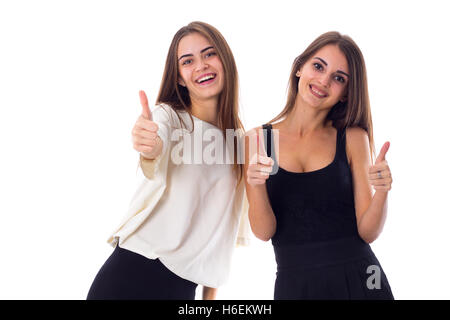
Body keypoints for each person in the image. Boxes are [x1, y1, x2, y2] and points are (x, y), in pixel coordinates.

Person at [87, 21, 249, 300]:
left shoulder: (241, 142)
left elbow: (224, 231)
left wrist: (208, 297)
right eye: (188, 61)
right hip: (130, 270)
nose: (201, 65)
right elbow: (154, 149)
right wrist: (148, 145)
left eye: (209, 54)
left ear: (225, 59)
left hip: (182, 288)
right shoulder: (169, 117)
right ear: (179, 78)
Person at [244, 31, 394, 300]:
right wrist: (255, 184)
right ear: (300, 67)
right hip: (295, 285)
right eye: (318, 66)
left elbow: (368, 232)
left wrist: (382, 191)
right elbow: (264, 231)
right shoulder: (257, 139)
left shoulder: (352, 138)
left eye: (339, 78)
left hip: (363, 280)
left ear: (346, 93)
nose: (323, 81)